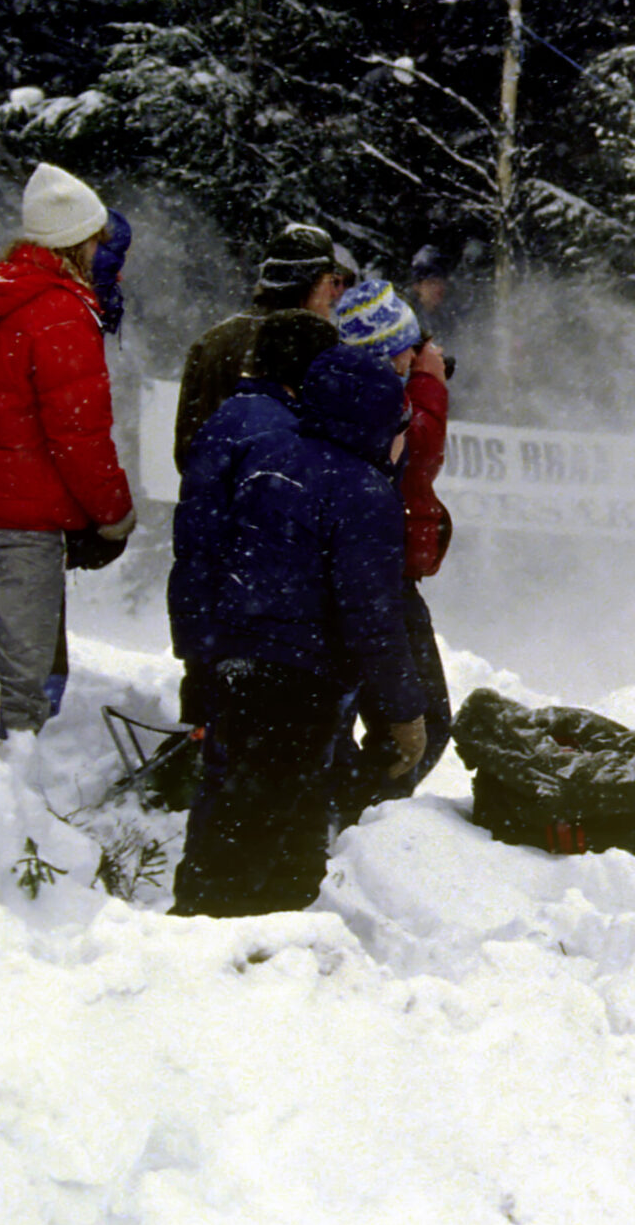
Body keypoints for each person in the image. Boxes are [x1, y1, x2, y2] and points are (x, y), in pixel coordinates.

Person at [169, 345, 427, 917]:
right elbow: (373, 618)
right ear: (377, 424)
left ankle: (230, 921)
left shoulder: (268, 458)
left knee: (235, 799)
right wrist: (404, 713)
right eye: (402, 426)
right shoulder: (364, 492)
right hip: (300, 678)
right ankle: (226, 929)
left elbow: (204, 549)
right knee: (276, 812)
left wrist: (202, 648)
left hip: (234, 661)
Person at [0, 164, 137, 746]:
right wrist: (113, 515)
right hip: (22, 526)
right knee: (21, 695)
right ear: (79, 241)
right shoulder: (58, 312)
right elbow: (78, 433)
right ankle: (10, 824)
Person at [167, 311, 342, 729]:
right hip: (253, 630)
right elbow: (275, 546)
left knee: (216, 739)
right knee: (251, 763)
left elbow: (200, 536)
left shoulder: (231, 417)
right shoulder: (281, 434)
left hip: (211, 616)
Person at [333, 279, 457, 803]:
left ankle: (354, 807)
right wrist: (430, 381)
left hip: (373, 572)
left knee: (392, 716)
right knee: (419, 719)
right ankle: (363, 810)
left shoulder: (352, 391)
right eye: (408, 345)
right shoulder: (376, 403)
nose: (417, 353)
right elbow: (420, 451)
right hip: (376, 576)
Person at [173, 222, 352, 466]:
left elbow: (187, 448)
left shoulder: (212, 342)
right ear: (307, 283)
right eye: (331, 281)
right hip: (279, 497)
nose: (334, 293)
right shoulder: (311, 350)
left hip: (212, 496)